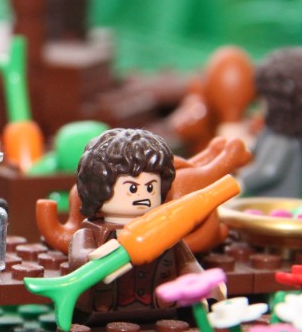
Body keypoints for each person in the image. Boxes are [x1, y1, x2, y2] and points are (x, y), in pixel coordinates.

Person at [69, 128, 204, 320]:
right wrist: (96, 261)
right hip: (104, 312)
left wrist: (203, 284)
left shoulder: (165, 230)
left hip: (161, 311)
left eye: (150, 187)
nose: (143, 196)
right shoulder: (92, 233)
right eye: (132, 188)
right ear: (99, 188)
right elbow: (79, 259)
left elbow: (187, 263)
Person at [239, 47, 302, 198]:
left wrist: (240, 181)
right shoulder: (275, 133)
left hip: (277, 203)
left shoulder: (282, 141)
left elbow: (268, 171)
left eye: (265, 99)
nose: (261, 105)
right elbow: (253, 150)